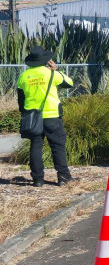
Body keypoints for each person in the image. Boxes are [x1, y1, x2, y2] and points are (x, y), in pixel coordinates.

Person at [17, 46, 75, 187]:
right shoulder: (52, 74)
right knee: (57, 146)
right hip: (52, 116)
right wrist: (56, 70)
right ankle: (63, 177)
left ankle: (37, 179)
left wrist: (25, 114)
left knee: (35, 146)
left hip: (33, 117)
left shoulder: (23, 77)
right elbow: (69, 83)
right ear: (45, 60)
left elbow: (21, 100)